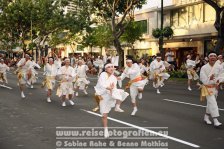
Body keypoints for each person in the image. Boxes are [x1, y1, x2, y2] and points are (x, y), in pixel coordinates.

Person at [95, 63, 129, 138]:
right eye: (109, 67)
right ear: (106, 69)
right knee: (104, 115)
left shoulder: (113, 77)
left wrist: (112, 89)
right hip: (103, 95)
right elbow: (102, 84)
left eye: (112, 67)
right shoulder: (103, 74)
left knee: (122, 93)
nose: (111, 68)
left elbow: (114, 87)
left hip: (111, 93)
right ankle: (106, 130)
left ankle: (117, 106)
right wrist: (108, 88)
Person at [200, 51, 222, 128]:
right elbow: (204, 80)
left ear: (216, 58)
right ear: (208, 58)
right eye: (211, 56)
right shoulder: (204, 67)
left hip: (215, 88)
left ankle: (206, 117)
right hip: (207, 88)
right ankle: (215, 120)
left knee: (210, 103)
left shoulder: (219, 67)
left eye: (214, 56)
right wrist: (210, 79)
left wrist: (218, 82)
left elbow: (221, 77)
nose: (213, 57)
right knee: (213, 103)